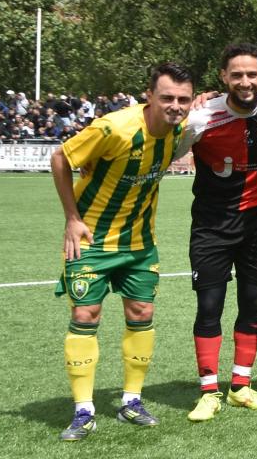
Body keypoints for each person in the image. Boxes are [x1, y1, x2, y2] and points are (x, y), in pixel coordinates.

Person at [49, 62, 196, 439]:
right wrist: (71, 218)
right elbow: (61, 158)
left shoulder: (179, 127)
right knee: (86, 314)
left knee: (142, 311)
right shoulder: (114, 127)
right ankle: (83, 410)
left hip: (139, 242)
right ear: (149, 95)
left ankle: (131, 401)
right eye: (166, 98)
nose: (175, 106)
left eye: (183, 99)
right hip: (91, 241)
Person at [176, 44, 257, 421]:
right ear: (223, 77)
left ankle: (241, 386)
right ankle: (208, 391)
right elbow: (168, 151)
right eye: (236, 74)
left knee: (253, 304)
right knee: (210, 306)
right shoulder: (201, 116)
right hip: (211, 225)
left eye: (251, 74)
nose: (244, 81)